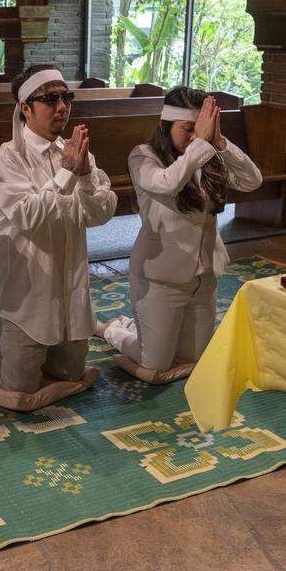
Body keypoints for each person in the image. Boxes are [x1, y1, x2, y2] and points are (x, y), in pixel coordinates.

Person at [0, 64, 117, 407]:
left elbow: (102, 213)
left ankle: (3, 340)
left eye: (65, 97)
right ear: (25, 108)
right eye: (50, 99)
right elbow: (29, 216)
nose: (62, 106)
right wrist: (69, 174)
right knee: (20, 387)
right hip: (25, 296)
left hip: (70, 291)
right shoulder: (7, 159)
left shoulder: (75, 153)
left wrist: (85, 175)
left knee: (70, 375)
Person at [97, 87, 263, 382]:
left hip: (204, 274)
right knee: (156, 363)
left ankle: (146, 330)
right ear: (166, 126)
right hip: (160, 277)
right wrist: (200, 143)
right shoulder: (143, 156)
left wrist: (219, 141)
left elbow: (253, 180)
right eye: (187, 129)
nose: (193, 137)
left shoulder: (209, 153)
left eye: (197, 130)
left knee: (195, 359)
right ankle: (112, 328)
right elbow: (166, 184)